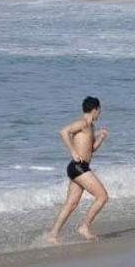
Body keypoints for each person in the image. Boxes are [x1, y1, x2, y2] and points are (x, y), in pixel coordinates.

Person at [47, 96, 111, 244]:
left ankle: (52, 235)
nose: (99, 114)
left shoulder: (91, 127)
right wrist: (73, 152)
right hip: (78, 167)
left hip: (80, 167)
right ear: (94, 110)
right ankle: (84, 227)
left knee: (71, 204)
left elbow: (91, 149)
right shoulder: (82, 123)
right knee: (102, 197)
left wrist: (101, 138)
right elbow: (63, 132)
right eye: (99, 111)